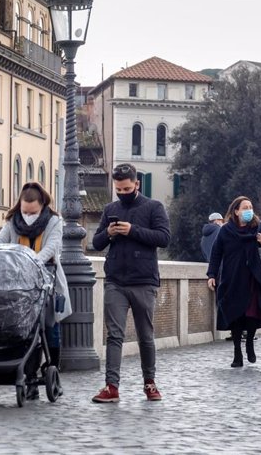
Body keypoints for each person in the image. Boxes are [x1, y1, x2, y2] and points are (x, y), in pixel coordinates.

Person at [91, 163, 171, 403]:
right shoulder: (110, 209)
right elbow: (96, 243)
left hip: (144, 281)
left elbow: (164, 238)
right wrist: (110, 233)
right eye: (118, 189)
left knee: (145, 335)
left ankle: (150, 383)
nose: (122, 193)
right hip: (115, 279)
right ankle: (111, 386)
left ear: (137, 184)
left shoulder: (154, 207)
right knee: (114, 335)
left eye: (126, 188)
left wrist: (132, 230)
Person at [0, 181, 72, 400]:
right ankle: (29, 379)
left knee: (49, 327)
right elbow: (0, 241)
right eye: (24, 211)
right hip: (18, 284)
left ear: (42, 205)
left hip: (47, 280)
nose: (27, 215)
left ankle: (51, 369)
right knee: (26, 332)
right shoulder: (12, 221)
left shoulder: (54, 221)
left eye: (33, 212)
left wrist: (32, 261)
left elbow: (52, 247)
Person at [207, 196, 261, 368]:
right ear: (236, 211)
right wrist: (212, 274)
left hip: (254, 278)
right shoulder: (225, 231)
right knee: (236, 315)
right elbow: (216, 253)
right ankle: (237, 351)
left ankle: (250, 344)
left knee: (253, 313)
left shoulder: (260, 228)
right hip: (232, 279)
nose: (248, 210)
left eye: (250, 207)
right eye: (245, 207)